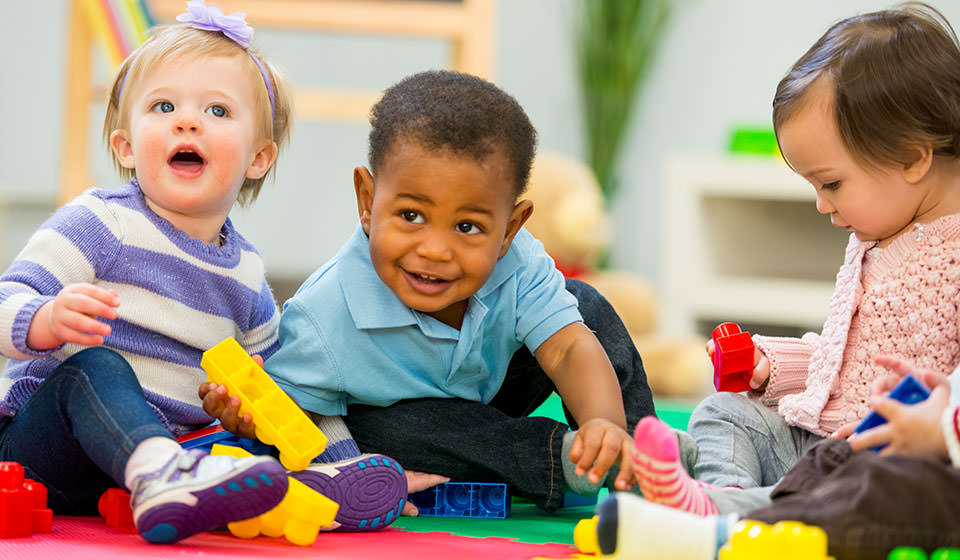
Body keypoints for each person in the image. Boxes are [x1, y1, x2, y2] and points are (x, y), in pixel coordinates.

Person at [263, 70, 657, 512]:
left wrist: (603, 422)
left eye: (467, 227)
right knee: (386, 434)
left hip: (498, 382)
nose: (434, 250)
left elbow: (566, 350)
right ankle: (562, 460)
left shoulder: (518, 261)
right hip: (428, 427)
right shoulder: (324, 317)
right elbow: (290, 417)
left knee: (583, 305)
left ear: (509, 230)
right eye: (411, 215)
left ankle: (638, 455)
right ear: (367, 201)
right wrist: (347, 476)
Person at [631, 2, 960, 517]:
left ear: (913, 158)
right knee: (724, 411)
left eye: (831, 183)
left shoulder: (952, 260)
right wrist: (771, 369)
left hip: (876, 456)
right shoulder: (876, 238)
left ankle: (723, 510)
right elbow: (843, 362)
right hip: (812, 439)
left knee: (861, 488)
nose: (821, 203)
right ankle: (723, 497)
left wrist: (928, 430)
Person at [0, 1, 298, 544]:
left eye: (218, 111)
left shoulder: (249, 276)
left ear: (259, 158)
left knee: (264, 447)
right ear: (127, 147)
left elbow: (279, 384)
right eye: (163, 106)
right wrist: (44, 318)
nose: (187, 121)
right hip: (44, 456)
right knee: (95, 366)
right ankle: (161, 472)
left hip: (168, 456)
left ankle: (189, 483)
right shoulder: (100, 222)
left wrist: (246, 414)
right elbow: (4, 303)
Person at [588, 355, 960, 560]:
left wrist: (943, 432)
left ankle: (716, 529)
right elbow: (829, 355)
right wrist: (938, 398)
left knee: (880, 485)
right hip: (853, 440)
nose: (822, 208)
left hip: (934, 474)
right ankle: (715, 495)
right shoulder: (862, 256)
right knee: (834, 455)